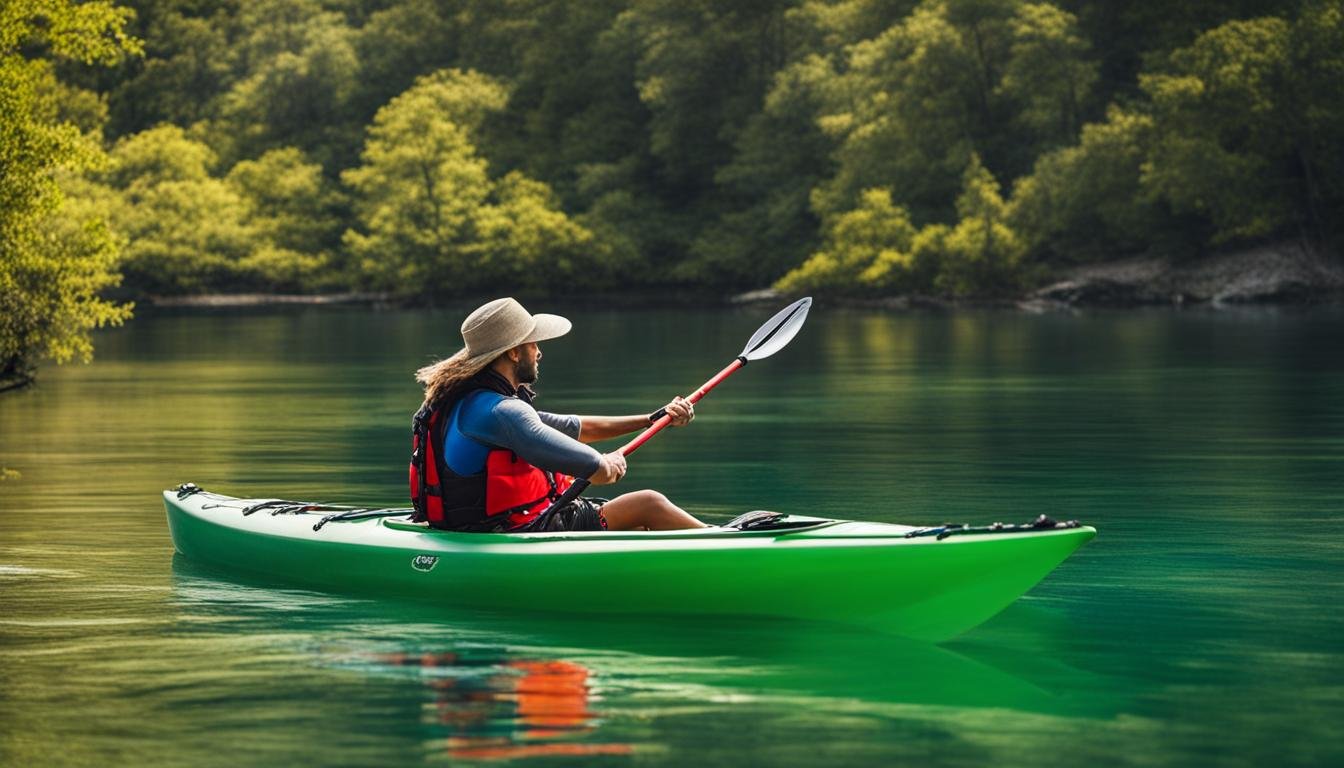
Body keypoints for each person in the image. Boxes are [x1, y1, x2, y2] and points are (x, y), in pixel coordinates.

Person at [409, 297, 708, 533]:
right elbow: (597, 469)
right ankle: (724, 541)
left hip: (491, 525)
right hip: (518, 530)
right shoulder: (503, 411)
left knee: (640, 523)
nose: (538, 352)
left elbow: (574, 427)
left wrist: (651, 419)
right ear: (514, 352)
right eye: (533, 343)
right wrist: (606, 464)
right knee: (648, 504)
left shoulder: (476, 403)